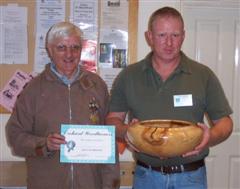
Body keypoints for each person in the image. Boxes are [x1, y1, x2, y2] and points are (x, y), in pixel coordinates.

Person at [106, 7, 233, 189]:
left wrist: (209, 137)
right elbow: (112, 120)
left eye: (175, 35)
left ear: (183, 36)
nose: (169, 43)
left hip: (191, 178)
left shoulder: (203, 75)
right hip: (146, 177)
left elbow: (226, 123)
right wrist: (127, 132)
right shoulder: (129, 76)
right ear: (149, 36)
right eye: (162, 35)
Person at [6, 22, 120, 189]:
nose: (69, 54)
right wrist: (45, 144)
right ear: (50, 50)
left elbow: (110, 142)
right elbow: (15, 137)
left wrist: (111, 185)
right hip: (46, 183)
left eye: (75, 47)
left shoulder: (97, 86)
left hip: (90, 184)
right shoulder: (33, 90)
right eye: (61, 48)